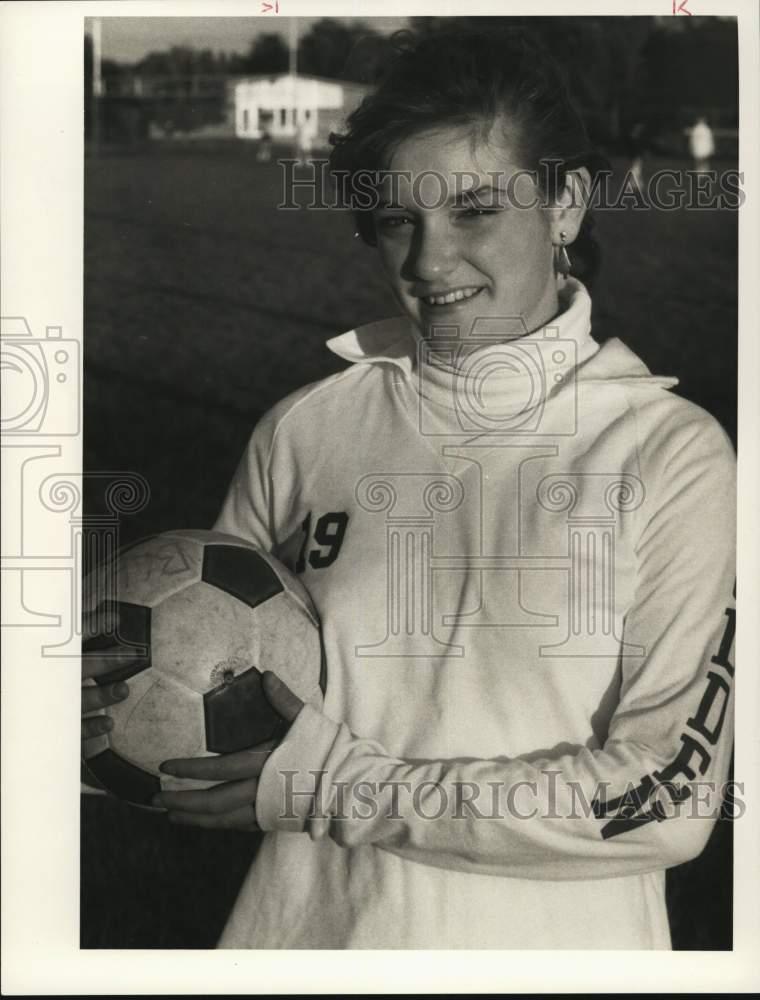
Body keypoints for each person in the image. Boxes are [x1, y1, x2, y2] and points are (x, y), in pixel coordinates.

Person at [82, 26, 736, 950]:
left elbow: (665, 798)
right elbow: (201, 721)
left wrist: (339, 786)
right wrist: (76, 725)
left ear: (566, 205)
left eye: (474, 210)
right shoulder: (306, 429)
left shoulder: (671, 457)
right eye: (398, 220)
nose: (429, 264)